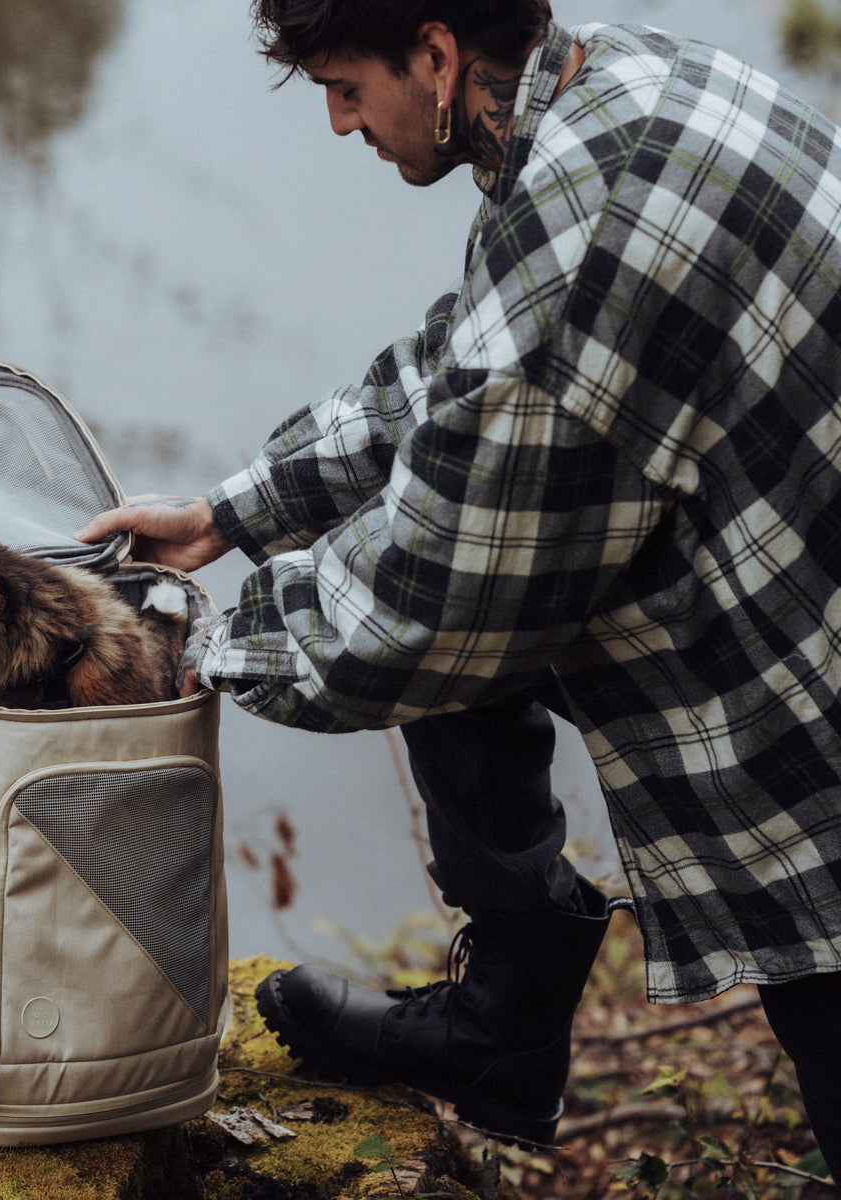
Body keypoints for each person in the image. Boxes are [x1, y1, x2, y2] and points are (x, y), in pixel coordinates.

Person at [76, 0, 841, 1174]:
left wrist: (184, 651)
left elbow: (422, 608)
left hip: (811, 728)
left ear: (434, 58)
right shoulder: (620, 82)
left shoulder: (584, 238)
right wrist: (231, 515)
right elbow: (458, 376)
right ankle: (508, 1019)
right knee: (461, 531)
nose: (340, 125)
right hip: (788, 570)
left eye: (346, 89)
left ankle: (506, 1024)